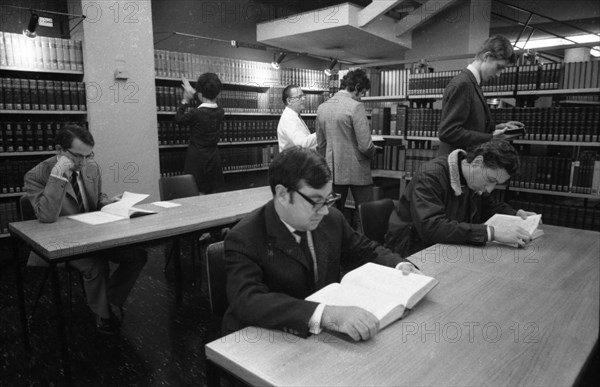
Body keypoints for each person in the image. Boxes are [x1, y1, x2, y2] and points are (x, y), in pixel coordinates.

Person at [223, 147, 419, 341]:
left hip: (322, 337)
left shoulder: (331, 218)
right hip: (267, 340)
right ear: (282, 194)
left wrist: (400, 266)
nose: (325, 211)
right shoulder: (245, 237)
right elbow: (248, 301)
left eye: (328, 200)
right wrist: (325, 314)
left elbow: (364, 250)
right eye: (316, 201)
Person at [24, 124, 147, 335]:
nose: (82, 163)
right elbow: (46, 217)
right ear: (59, 150)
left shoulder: (91, 167)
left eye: (88, 156)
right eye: (77, 157)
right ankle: (103, 314)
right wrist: (57, 176)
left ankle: (108, 299)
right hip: (60, 241)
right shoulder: (37, 175)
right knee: (95, 265)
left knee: (137, 255)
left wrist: (110, 203)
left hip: (94, 233)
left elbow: (96, 199)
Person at [385, 139, 537, 258]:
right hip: (412, 249)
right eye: (491, 180)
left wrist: (516, 215)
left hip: (445, 246)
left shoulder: (472, 178)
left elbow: (489, 206)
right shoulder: (430, 176)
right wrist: (491, 233)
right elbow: (431, 228)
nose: (489, 189)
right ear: (477, 162)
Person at [437, 34, 524, 156]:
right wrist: (490, 137)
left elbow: (470, 125)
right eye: (499, 67)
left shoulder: (473, 84)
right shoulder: (464, 84)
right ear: (486, 56)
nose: (498, 74)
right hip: (454, 165)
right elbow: (448, 132)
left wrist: (498, 128)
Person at [316, 68, 376, 212]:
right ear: (356, 87)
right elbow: (365, 146)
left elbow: (321, 144)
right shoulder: (356, 107)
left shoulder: (322, 108)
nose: (361, 97)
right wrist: (373, 153)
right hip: (358, 170)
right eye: (362, 93)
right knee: (366, 215)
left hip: (333, 171)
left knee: (333, 215)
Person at [175, 72, 225, 194]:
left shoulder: (196, 113)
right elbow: (204, 99)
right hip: (213, 158)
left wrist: (185, 100)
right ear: (218, 93)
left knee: (195, 192)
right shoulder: (220, 111)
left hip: (196, 159)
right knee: (212, 193)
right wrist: (194, 91)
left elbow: (178, 119)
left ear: (201, 94)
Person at [277, 84, 317, 152]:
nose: (303, 99)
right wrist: (322, 132)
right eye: (300, 97)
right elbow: (302, 144)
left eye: (303, 96)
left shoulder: (294, 115)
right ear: (289, 101)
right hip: (294, 161)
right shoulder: (288, 119)